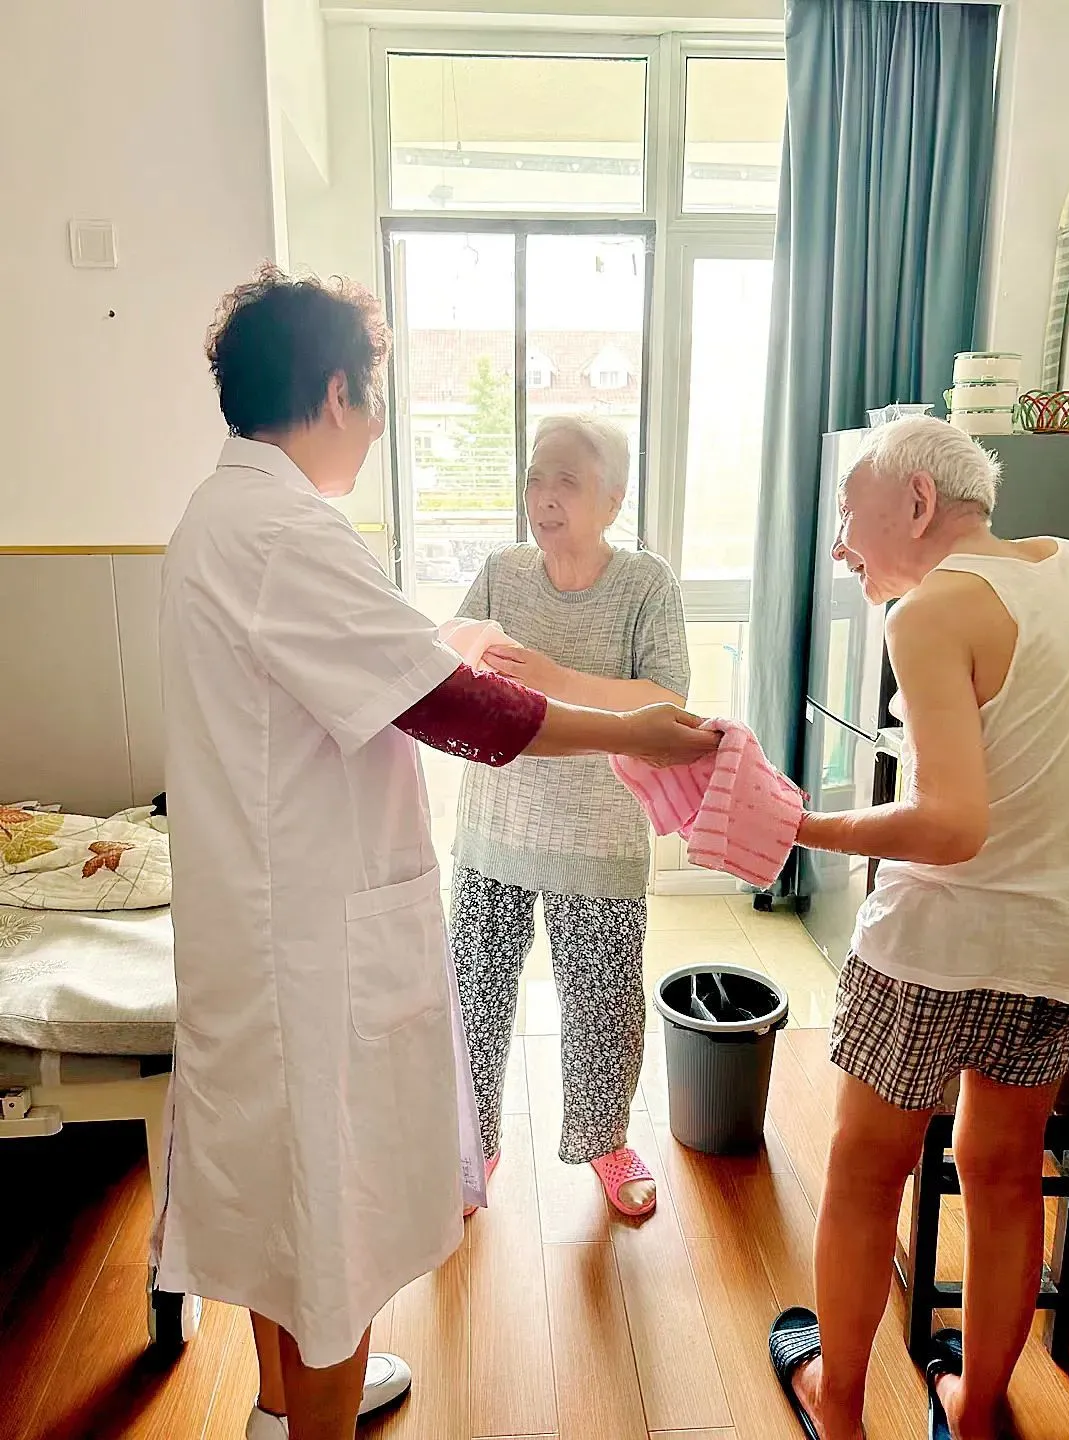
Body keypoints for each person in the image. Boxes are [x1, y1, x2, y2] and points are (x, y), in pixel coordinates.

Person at [154, 266, 718, 1440]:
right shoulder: (286, 534)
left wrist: (441, 643)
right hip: (309, 947)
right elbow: (462, 712)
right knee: (331, 1216)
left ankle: (282, 1406)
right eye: (372, 396)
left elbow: (367, 661)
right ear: (334, 390)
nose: (374, 425)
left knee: (284, 1206)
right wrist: (637, 731)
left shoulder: (224, 514)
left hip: (262, 927)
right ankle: (309, 1414)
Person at [768, 416, 1069, 1440]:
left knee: (866, 1174)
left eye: (847, 515)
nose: (840, 546)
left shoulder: (934, 609)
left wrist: (802, 824)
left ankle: (842, 1408)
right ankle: (976, 1411)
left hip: (930, 948)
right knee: (1006, 1178)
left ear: (915, 501)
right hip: (1054, 947)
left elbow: (949, 825)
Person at [450, 415, 691, 1220]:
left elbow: (666, 700)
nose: (544, 498)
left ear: (613, 501)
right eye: (534, 479)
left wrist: (554, 678)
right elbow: (454, 665)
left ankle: (605, 1141)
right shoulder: (500, 572)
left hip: (598, 835)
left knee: (603, 1005)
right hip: (495, 829)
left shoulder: (646, 583)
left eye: (567, 482)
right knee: (475, 998)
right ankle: (475, 1143)